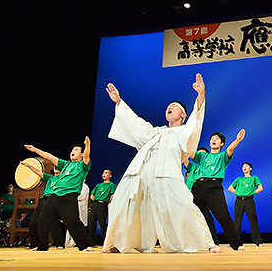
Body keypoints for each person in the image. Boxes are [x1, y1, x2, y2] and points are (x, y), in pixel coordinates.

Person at [102, 74, 217, 253]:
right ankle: (121, 243)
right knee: (127, 205)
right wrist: (119, 102)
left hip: (168, 173)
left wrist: (201, 96)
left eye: (174, 106)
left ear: (183, 114)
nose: (169, 107)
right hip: (143, 172)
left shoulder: (182, 131)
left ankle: (204, 243)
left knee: (183, 205)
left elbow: (196, 121)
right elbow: (135, 124)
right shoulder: (156, 132)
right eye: (168, 106)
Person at [23, 139, 93, 251]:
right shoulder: (65, 165)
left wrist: (87, 145)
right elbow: (49, 157)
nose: (72, 151)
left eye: (76, 150)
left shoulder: (82, 165)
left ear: (81, 153)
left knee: (72, 221)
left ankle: (85, 245)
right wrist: (35, 149)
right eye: (72, 149)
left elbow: (86, 156)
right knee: (42, 220)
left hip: (69, 197)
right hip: (55, 196)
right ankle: (42, 246)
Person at [190, 130, 246, 251]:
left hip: (213, 186)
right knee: (191, 214)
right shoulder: (203, 156)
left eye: (217, 139)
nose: (213, 140)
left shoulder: (222, 156)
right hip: (198, 186)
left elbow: (230, 150)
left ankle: (236, 244)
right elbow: (190, 153)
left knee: (223, 216)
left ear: (221, 144)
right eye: (212, 138)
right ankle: (194, 243)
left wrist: (238, 140)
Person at [19, 164, 65, 250]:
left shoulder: (64, 179)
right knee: (33, 222)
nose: (56, 168)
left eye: (58, 167)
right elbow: (39, 172)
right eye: (55, 167)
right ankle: (34, 244)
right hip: (44, 200)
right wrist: (29, 165)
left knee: (53, 222)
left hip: (54, 199)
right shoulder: (50, 178)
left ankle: (59, 243)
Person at [183, 149, 219, 246]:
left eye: (204, 153)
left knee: (207, 218)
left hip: (203, 196)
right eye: (200, 153)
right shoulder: (193, 168)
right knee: (188, 220)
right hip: (190, 196)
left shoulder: (209, 169)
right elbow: (185, 160)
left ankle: (214, 242)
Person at [228, 162, 263, 246]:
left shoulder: (254, 178)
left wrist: (252, 193)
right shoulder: (239, 179)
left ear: (250, 168)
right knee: (237, 221)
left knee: (253, 220)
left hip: (249, 201)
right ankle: (235, 242)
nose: (244, 167)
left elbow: (260, 188)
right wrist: (238, 192)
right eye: (243, 166)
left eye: (246, 166)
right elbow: (230, 188)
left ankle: (258, 241)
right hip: (239, 201)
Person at [87, 170, 117, 246]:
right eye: (103, 173)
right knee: (91, 223)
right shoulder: (98, 185)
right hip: (95, 204)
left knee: (102, 224)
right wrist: (95, 201)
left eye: (106, 173)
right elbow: (92, 195)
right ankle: (93, 243)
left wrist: (105, 201)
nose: (104, 174)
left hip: (102, 204)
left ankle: (106, 242)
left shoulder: (111, 185)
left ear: (110, 175)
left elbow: (112, 195)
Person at [65, 181, 89, 247]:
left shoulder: (84, 187)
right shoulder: (74, 185)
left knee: (77, 225)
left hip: (80, 207)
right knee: (70, 223)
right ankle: (67, 241)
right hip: (73, 206)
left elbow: (81, 197)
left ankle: (74, 241)